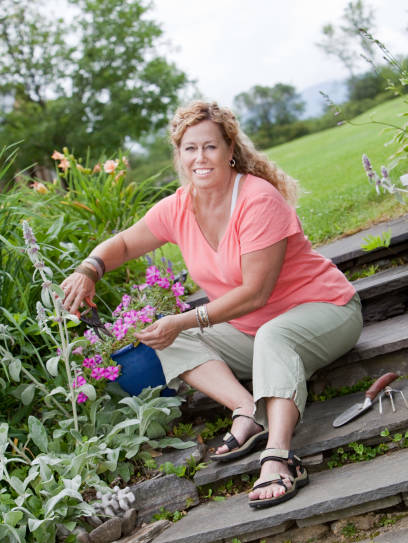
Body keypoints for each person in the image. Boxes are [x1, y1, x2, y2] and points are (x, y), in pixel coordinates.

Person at [61, 100, 363, 509]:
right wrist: (89, 269)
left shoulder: (257, 199)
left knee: (259, 333)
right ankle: (247, 410)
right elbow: (126, 242)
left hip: (326, 310)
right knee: (169, 339)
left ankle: (278, 455)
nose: (200, 158)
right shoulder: (180, 206)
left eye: (210, 147)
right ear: (180, 155)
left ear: (230, 150)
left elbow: (256, 292)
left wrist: (185, 319)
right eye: (190, 148)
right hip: (252, 333)